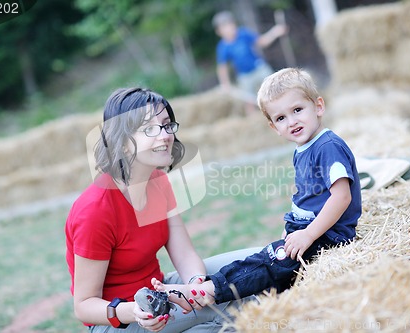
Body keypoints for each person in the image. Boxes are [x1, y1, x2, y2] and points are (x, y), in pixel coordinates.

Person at [152, 68, 362, 308]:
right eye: (281, 118)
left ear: (318, 107)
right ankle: (224, 291)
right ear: (273, 127)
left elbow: (341, 196)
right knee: (268, 267)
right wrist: (294, 228)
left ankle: (208, 290)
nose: (291, 121)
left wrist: (308, 234)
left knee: (271, 261)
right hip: (308, 230)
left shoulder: (327, 146)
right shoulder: (304, 148)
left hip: (329, 236)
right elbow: (310, 196)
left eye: (297, 110)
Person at [65, 87, 258, 332]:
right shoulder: (95, 210)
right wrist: (133, 311)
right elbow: (83, 305)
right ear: (123, 143)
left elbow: (185, 254)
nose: (165, 135)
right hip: (121, 321)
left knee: (254, 270)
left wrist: (194, 286)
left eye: (167, 125)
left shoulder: (157, 180)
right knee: (238, 307)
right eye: (149, 129)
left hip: (162, 290)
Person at [212, 10, 288, 115]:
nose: (229, 29)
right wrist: (225, 83)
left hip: (258, 68)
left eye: (230, 25)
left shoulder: (243, 34)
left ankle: (284, 109)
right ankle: (254, 120)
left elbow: (262, 41)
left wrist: (275, 32)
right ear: (219, 32)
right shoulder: (223, 47)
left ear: (234, 25)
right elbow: (222, 67)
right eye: (224, 28)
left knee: (274, 88)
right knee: (249, 101)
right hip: (244, 76)